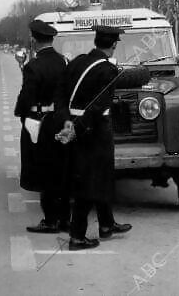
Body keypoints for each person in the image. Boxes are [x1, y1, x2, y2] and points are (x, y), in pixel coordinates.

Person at [55, 25, 132, 250]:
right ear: (114, 44)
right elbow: (98, 107)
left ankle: (107, 224)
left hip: (76, 126)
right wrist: (77, 129)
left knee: (98, 178)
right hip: (95, 131)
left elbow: (60, 94)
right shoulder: (107, 70)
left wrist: (67, 121)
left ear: (95, 41)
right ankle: (77, 237)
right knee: (90, 182)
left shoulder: (77, 62)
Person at [14, 20, 69, 233]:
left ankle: (50, 220)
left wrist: (22, 115)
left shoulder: (33, 67)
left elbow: (26, 97)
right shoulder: (64, 62)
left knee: (44, 172)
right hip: (60, 119)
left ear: (34, 40)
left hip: (40, 121)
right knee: (61, 170)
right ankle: (65, 219)